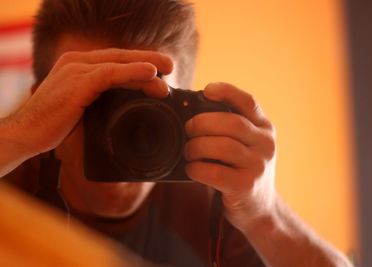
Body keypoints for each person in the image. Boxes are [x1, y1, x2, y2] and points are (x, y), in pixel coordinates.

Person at [0, 0, 353, 266]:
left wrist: (266, 215)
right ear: (44, 105)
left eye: (146, 111)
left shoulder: (215, 199)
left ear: (183, 108)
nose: (116, 133)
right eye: (93, 104)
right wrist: (14, 139)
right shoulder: (10, 185)